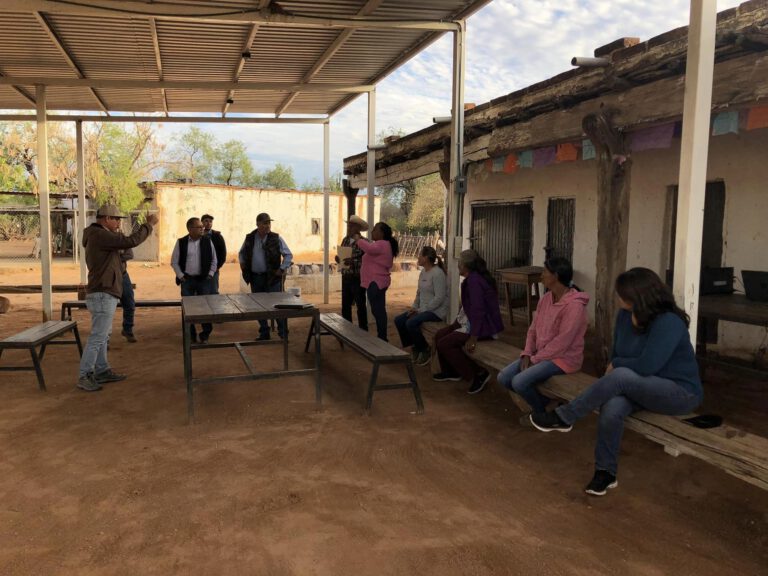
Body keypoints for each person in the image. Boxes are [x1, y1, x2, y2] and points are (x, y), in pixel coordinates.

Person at [530, 267, 703, 496]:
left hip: (678, 392)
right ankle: (605, 472)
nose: (617, 296)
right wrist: (617, 367)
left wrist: (619, 364)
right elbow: (618, 354)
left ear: (639, 296)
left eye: (622, 293)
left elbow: (646, 365)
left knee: (621, 375)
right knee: (611, 408)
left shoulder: (668, 322)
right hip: (639, 386)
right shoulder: (624, 316)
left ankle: (565, 417)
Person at [78, 204, 157, 392]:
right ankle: (84, 375)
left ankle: (102, 370)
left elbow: (127, 246)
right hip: (103, 291)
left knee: (103, 335)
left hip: (104, 290)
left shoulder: (98, 235)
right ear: (107, 219)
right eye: (116, 219)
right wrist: (148, 225)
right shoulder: (100, 235)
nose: (118, 223)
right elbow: (131, 241)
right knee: (98, 336)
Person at [497, 258, 589, 414]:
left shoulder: (574, 306)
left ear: (556, 276)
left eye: (545, 272)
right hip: (540, 355)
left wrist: (535, 359)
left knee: (519, 382)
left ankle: (542, 412)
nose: (541, 276)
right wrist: (527, 353)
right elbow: (533, 329)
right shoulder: (546, 298)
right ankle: (549, 404)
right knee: (504, 377)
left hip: (563, 359)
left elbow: (562, 343)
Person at [432, 249, 504, 394]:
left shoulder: (474, 281)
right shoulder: (472, 279)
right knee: (440, 335)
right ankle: (452, 371)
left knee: (445, 343)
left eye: (459, 263)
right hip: (474, 323)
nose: (457, 265)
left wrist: (474, 336)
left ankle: (478, 374)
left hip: (484, 327)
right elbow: (467, 308)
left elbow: (478, 310)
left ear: (464, 266)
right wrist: (455, 325)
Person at [238, 212, 293, 340]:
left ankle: (283, 333)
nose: (267, 226)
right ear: (257, 224)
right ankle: (264, 332)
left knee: (278, 306)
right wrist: (242, 263)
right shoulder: (250, 238)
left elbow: (288, 255)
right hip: (255, 278)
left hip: (273, 278)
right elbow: (242, 253)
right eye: (264, 223)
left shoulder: (276, 238)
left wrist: (282, 268)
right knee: (258, 306)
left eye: (269, 223)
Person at [394, 245, 448, 366]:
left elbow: (439, 298)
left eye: (420, 255)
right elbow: (419, 293)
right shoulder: (423, 272)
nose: (418, 257)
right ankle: (415, 346)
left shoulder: (438, 274)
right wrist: (414, 307)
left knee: (411, 322)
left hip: (436, 312)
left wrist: (420, 311)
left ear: (426, 258)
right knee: (399, 320)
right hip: (422, 310)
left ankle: (424, 349)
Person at [171, 217, 218, 344]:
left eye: (202, 226)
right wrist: (181, 276)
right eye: (199, 227)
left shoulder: (207, 241)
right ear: (190, 229)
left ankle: (205, 334)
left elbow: (214, 260)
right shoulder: (181, 242)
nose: (203, 228)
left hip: (204, 280)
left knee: (206, 308)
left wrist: (210, 274)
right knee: (187, 310)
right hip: (188, 281)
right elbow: (174, 262)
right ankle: (190, 335)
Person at [354, 221, 399, 341]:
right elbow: (370, 248)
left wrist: (358, 239)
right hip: (379, 282)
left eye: (375, 229)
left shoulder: (382, 244)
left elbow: (368, 248)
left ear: (382, 233)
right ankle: (382, 336)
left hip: (376, 282)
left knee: (377, 310)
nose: (372, 232)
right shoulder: (382, 244)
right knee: (379, 310)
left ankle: (382, 337)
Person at [337, 215, 369, 331]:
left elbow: (367, 259)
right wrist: (338, 258)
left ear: (358, 228)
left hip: (357, 277)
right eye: (349, 225)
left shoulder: (364, 242)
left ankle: (363, 330)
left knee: (360, 304)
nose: (349, 228)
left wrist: (353, 261)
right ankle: (347, 329)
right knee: (345, 304)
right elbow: (342, 255)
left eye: (351, 226)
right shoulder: (345, 240)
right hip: (346, 276)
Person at [201, 213, 227, 294]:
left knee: (213, 291)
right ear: (201, 222)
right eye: (206, 221)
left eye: (210, 221)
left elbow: (223, 254)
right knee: (200, 292)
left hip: (214, 269)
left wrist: (216, 267)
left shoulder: (217, 236)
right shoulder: (198, 235)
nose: (208, 223)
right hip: (200, 270)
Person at [119, 247, 137, 343]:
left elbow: (130, 255)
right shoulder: (104, 238)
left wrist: (114, 257)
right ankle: (105, 338)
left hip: (123, 275)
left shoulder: (121, 238)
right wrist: (120, 256)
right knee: (108, 308)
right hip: (108, 276)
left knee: (130, 303)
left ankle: (127, 329)